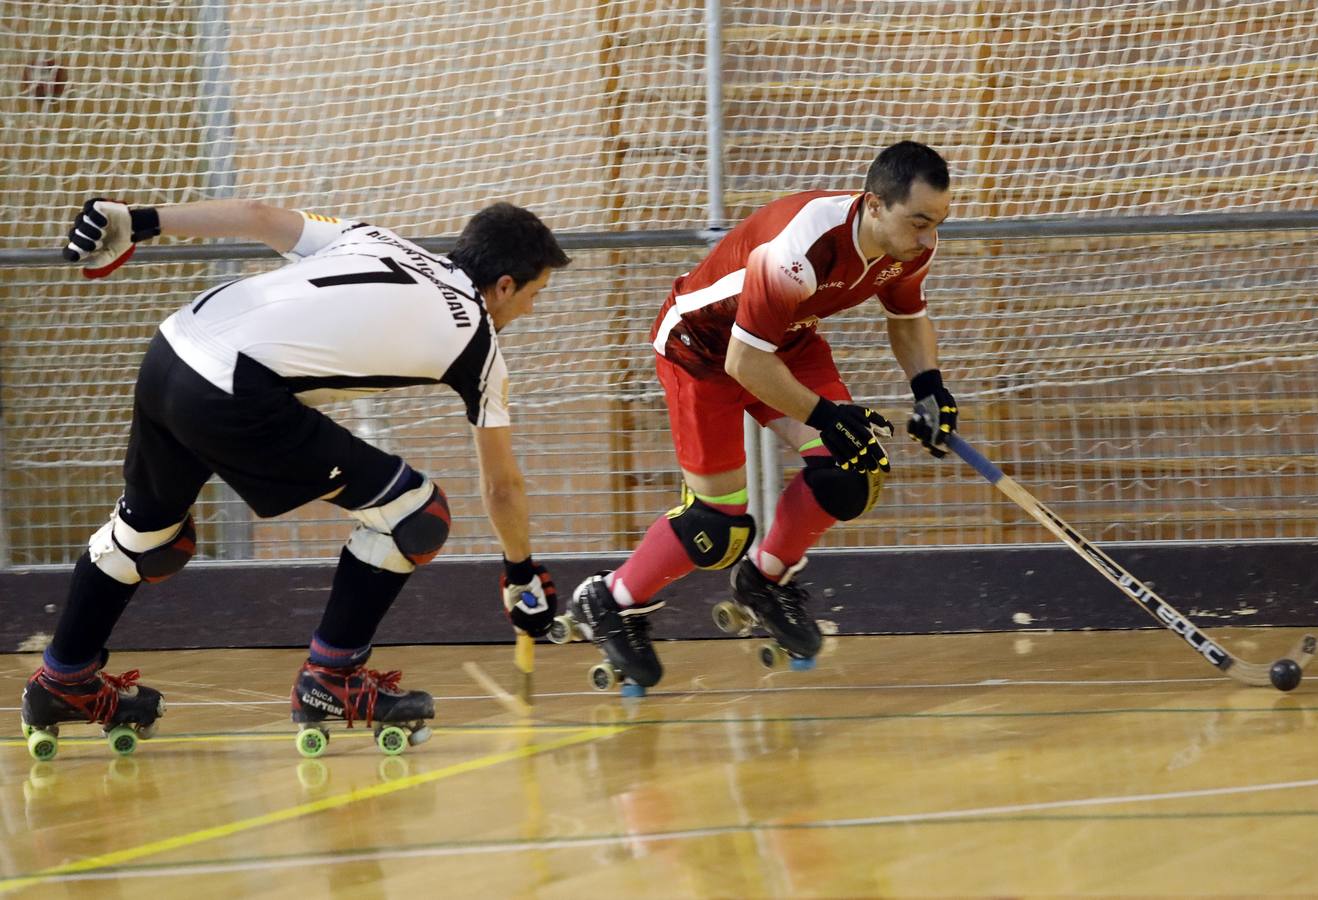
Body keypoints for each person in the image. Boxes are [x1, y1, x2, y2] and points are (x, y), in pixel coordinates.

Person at [21, 197, 570, 759]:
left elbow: (258, 216)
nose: (528, 310)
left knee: (149, 538)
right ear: (504, 285)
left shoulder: (378, 239)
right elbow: (503, 486)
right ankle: (332, 679)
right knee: (415, 515)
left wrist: (140, 220)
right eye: (533, 295)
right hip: (232, 389)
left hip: (173, 348)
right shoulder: (479, 344)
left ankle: (63, 680)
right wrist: (520, 570)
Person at [567, 140, 958, 689]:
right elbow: (744, 361)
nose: (928, 238)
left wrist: (930, 388)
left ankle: (765, 580)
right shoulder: (796, 249)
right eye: (919, 221)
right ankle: (608, 599)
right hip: (702, 351)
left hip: (786, 343)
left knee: (853, 471)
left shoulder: (912, 247)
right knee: (717, 527)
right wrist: (827, 415)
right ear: (873, 205)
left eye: (938, 222)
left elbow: (907, 315)